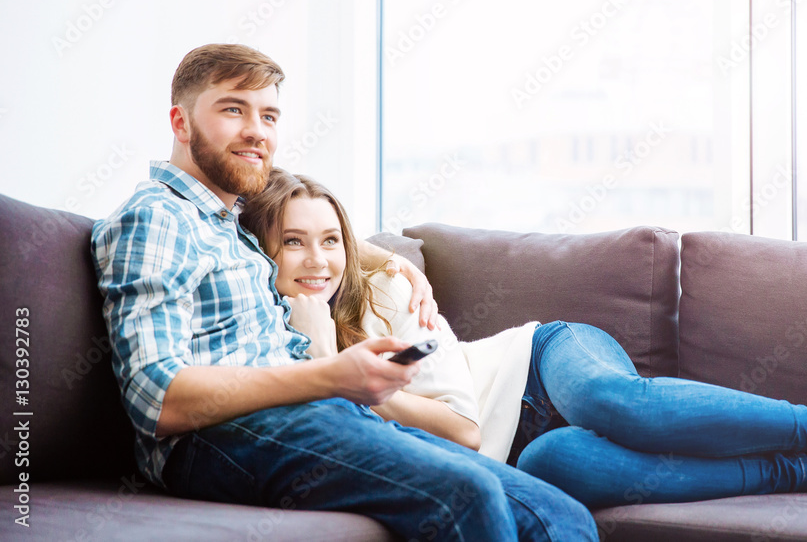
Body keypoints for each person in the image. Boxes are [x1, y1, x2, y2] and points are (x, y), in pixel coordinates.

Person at [91, 43, 598, 542]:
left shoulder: (232, 226)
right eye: (232, 109)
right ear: (180, 123)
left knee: (558, 513)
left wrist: (394, 261)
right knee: (466, 494)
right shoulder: (156, 217)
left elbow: (311, 234)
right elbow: (155, 398)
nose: (256, 130)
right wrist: (329, 375)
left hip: (319, 416)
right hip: (224, 435)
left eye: (269, 116)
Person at [240, 167, 807, 508]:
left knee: (612, 400)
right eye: (294, 244)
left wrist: (356, 375)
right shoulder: (271, 357)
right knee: (560, 461)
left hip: (539, 365)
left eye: (332, 239)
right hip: (522, 452)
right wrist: (329, 367)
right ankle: (805, 475)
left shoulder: (392, 294)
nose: (319, 261)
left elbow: (463, 427)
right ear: (259, 254)